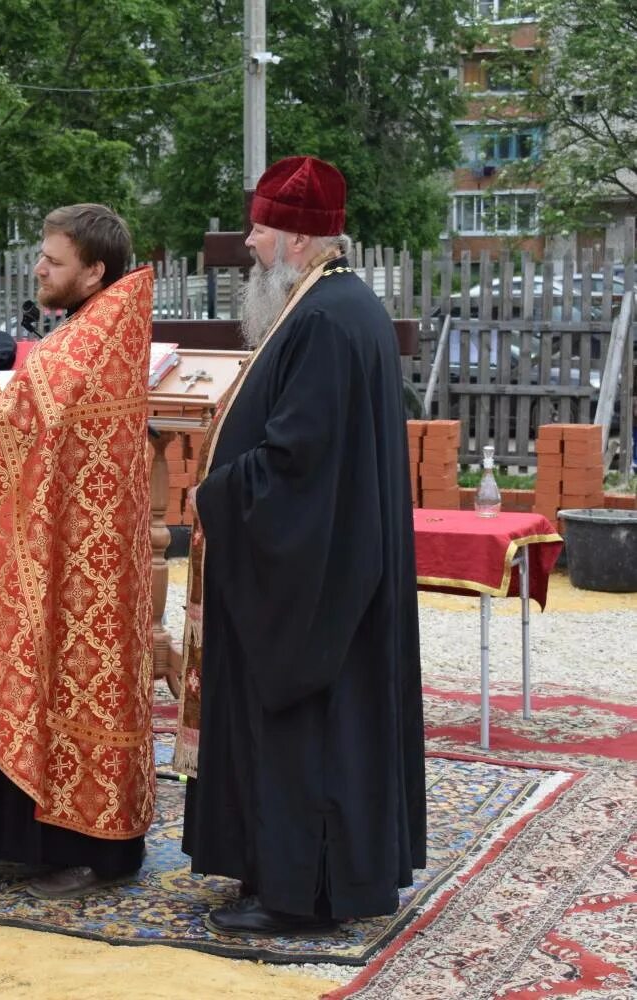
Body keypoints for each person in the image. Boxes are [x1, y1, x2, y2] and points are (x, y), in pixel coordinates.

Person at [177, 155, 425, 934]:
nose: (248, 243)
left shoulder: (321, 319)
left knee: (305, 728)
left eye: (258, 228)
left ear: (293, 237)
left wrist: (217, 494)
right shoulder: (337, 307)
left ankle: (296, 891)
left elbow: (297, 463)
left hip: (314, 576)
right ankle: (288, 873)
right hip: (335, 563)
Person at [0, 204, 156, 899]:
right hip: (85, 546)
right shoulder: (100, 326)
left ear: (94, 271)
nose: (38, 267)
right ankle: (82, 844)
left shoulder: (88, 334)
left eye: (53, 259)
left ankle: (82, 849)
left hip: (79, 559)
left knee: (70, 684)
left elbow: (16, 424)